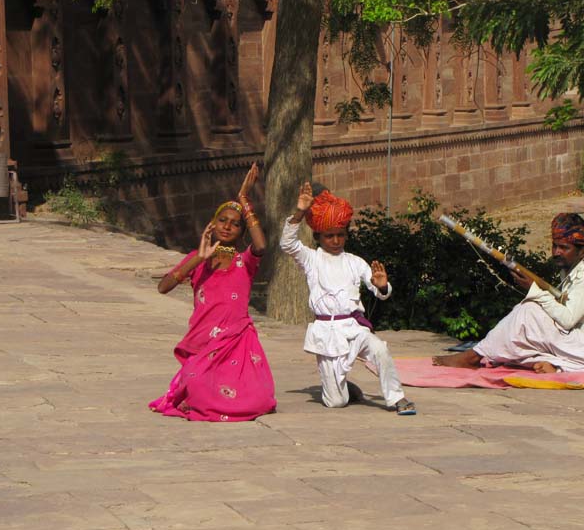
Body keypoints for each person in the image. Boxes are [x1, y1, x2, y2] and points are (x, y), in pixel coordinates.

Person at [149, 163, 277, 421]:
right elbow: (163, 287)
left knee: (260, 399)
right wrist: (199, 258)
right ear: (212, 224)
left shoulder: (245, 262)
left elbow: (261, 245)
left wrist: (244, 201)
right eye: (223, 220)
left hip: (237, 341)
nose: (228, 226)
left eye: (235, 224)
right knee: (197, 387)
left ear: (241, 232)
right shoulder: (198, 260)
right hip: (203, 342)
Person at [280, 182, 417, 415]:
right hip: (326, 332)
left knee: (380, 349)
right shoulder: (311, 260)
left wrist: (382, 286)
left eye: (340, 235)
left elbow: (379, 291)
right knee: (336, 402)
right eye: (329, 235)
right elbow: (288, 244)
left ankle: (396, 398)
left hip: (354, 327)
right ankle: (346, 389)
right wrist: (301, 211)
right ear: (318, 236)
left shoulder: (355, 262)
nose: (335, 241)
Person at [433, 213, 584, 375]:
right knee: (527, 321)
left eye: (564, 248)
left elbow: (567, 320)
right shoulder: (569, 273)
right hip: (576, 346)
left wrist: (535, 290)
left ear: (582, 250)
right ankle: (553, 366)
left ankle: (474, 356)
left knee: (529, 311)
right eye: (555, 246)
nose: (557, 252)